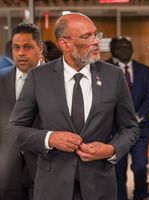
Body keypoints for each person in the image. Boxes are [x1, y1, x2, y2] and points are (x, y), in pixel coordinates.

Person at [7, 13, 140, 200]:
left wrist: (111, 149)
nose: (96, 42)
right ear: (64, 44)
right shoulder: (38, 77)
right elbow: (14, 130)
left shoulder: (114, 76)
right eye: (87, 37)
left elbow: (130, 128)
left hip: (99, 186)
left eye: (96, 35)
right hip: (52, 188)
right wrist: (50, 138)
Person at [0, 22, 44, 200]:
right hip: (8, 171)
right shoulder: (1, 78)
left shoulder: (56, 80)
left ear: (39, 48)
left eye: (27, 47)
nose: (21, 53)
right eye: (16, 47)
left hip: (44, 168)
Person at [114, 37, 149, 200]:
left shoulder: (144, 70)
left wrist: (141, 115)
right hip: (116, 130)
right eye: (120, 47)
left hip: (140, 128)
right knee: (119, 171)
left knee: (140, 166)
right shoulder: (106, 69)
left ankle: (140, 194)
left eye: (128, 47)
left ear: (132, 49)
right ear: (114, 51)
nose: (124, 50)